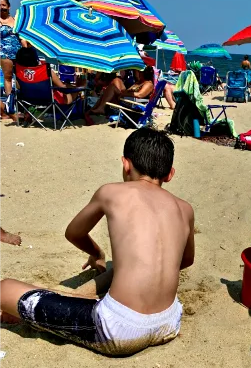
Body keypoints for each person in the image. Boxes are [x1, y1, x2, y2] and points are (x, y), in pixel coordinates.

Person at [0, 128, 195, 356]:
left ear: (126, 164)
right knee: (120, 269)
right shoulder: (185, 209)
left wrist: (98, 253)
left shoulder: (111, 192)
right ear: (170, 174)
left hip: (118, 329)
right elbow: (186, 260)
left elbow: (74, 233)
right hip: (169, 321)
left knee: (4, 289)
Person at [86, 66, 155, 123]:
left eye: (139, 72)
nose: (138, 73)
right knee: (116, 80)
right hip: (128, 99)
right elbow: (129, 90)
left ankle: (99, 108)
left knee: (112, 88)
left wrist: (125, 93)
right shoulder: (140, 82)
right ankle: (98, 108)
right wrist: (124, 93)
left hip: (133, 103)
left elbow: (140, 95)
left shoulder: (148, 84)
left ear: (143, 73)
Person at [0, 0, 27, 98]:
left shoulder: (16, 20)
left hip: (19, 52)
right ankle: (10, 105)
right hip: (4, 53)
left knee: (22, 78)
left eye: (4, 5)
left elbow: (22, 37)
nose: (2, 7)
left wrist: (26, 50)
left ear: (9, 7)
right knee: (8, 77)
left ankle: (23, 103)